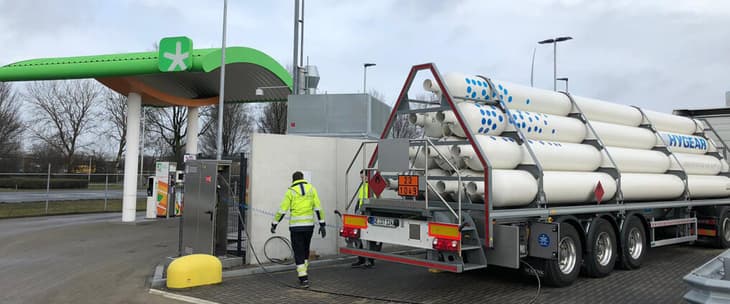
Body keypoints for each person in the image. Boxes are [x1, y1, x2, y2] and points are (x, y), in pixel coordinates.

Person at [271, 171, 326, 288]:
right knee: (305, 250)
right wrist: (322, 224)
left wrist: (274, 224)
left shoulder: (290, 191)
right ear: (302, 178)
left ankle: (303, 278)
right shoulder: (311, 189)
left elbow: (282, 210)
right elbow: (318, 207)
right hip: (309, 226)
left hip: (295, 228)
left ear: (293, 180)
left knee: (298, 251)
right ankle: (304, 272)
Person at [351, 169, 377, 268]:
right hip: (361, 213)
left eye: (363, 177)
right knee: (358, 237)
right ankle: (361, 259)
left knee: (370, 238)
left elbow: (375, 200)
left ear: (368, 176)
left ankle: (370, 260)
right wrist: (357, 209)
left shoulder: (373, 186)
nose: (362, 179)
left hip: (368, 214)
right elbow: (360, 199)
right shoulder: (363, 186)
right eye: (361, 178)